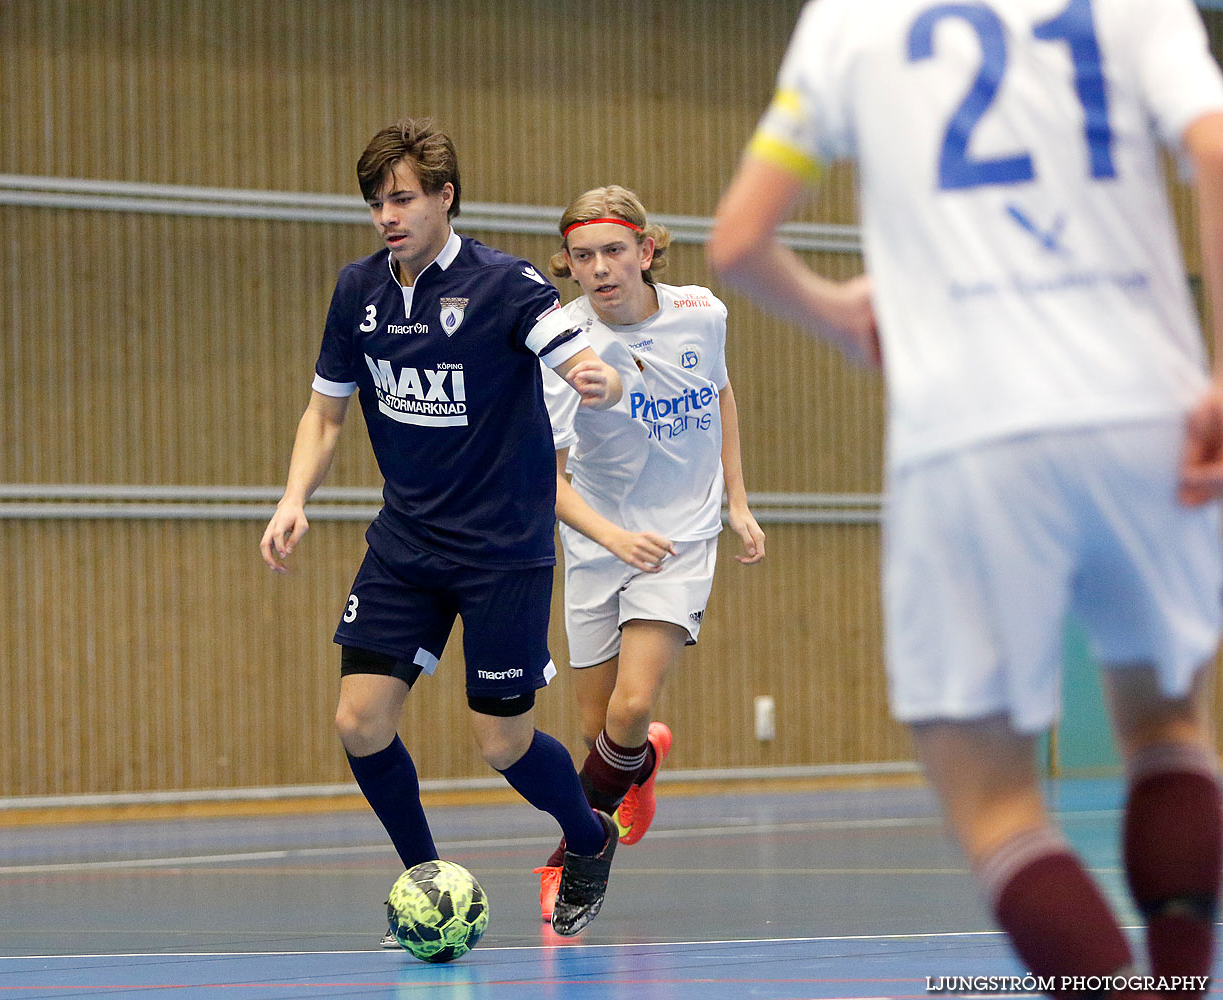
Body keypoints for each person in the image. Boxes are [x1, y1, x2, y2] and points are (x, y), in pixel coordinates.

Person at [708, 0, 1223, 994]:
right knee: (1167, 729)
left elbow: (737, 243)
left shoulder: (850, 21)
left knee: (993, 805)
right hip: (1146, 410)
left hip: (970, 431)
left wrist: (841, 311)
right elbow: (1212, 140)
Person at [259, 118, 629, 940]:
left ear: (444, 198)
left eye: (402, 198)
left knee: (501, 742)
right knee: (359, 721)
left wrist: (591, 374)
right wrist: (294, 499)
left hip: (503, 550)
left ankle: (589, 835)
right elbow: (326, 414)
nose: (387, 215)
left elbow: (566, 348)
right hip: (408, 544)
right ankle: (424, 881)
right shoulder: (358, 292)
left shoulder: (508, 284)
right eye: (375, 202)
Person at [530, 186, 766, 922]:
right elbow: (550, 482)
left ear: (646, 250)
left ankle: (571, 858)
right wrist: (611, 539)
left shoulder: (703, 314)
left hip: (680, 537)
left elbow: (718, 392)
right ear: (567, 264)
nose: (600, 268)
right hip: (600, 540)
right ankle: (642, 767)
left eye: (613, 252)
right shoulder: (564, 345)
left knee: (631, 706)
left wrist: (736, 499)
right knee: (598, 727)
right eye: (582, 257)